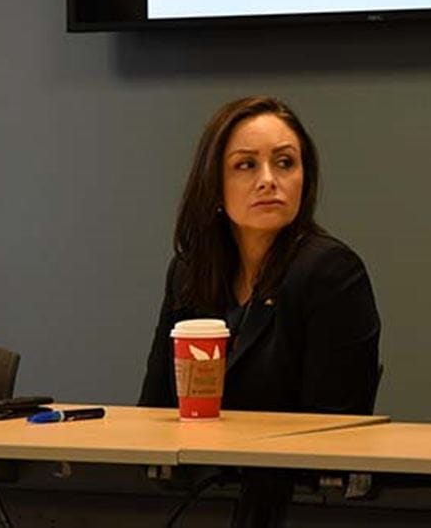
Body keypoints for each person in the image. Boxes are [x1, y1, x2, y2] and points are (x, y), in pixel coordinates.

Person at [140, 96, 380, 416]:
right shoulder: (190, 271)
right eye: (246, 165)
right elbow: (154, 411)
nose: (268, 180)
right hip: (191, 463)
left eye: (285, 163)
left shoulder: (331, 272)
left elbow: (335, 426)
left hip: (286, 465)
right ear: (213, 183)